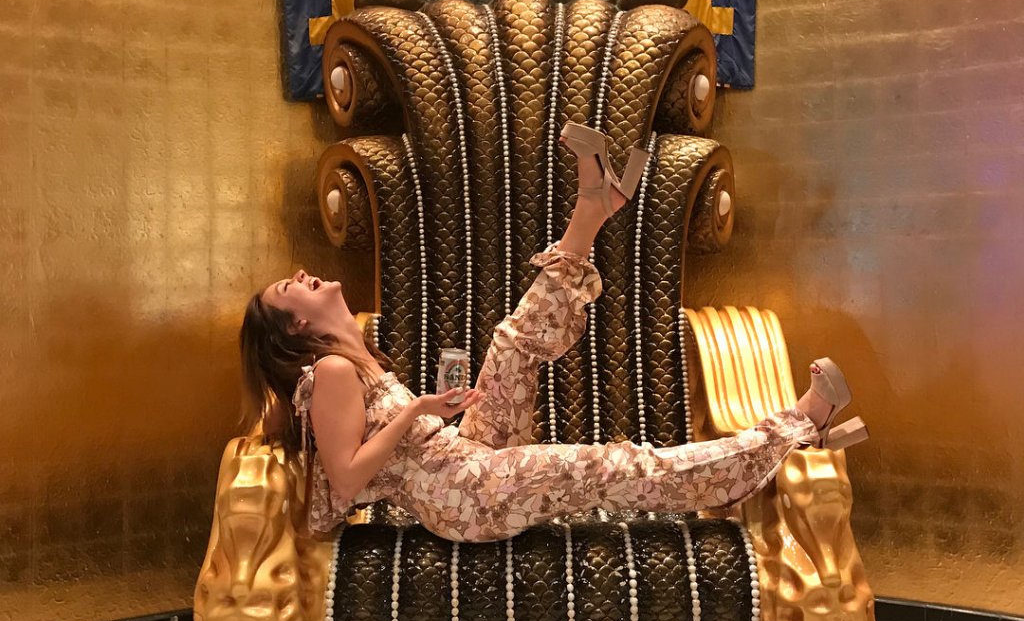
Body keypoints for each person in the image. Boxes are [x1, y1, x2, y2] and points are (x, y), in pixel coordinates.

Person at [239, 122, 867, 543]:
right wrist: (418, 412)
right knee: (614, 466)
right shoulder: (332, 372)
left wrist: (437, 411)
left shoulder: (356, 359)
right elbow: (347, 480)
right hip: (463, 497)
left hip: (464, 456)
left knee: (511, 344)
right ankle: (798, 426)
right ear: (297, 325)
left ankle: (591, 212)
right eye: (289, 288)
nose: (302, 275)